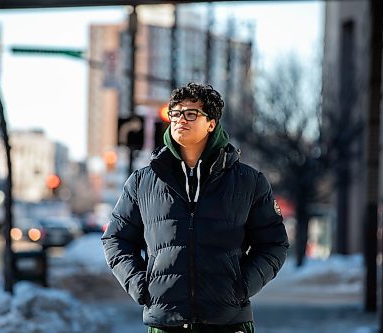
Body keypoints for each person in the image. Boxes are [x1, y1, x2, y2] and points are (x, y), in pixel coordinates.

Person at [102, 82, 289, 333]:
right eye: (176, 113)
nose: (181, 119)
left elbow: (273, 243)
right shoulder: (143, 182)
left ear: (211, 123)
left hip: (228, 322)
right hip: (165, 322)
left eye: (191, 114)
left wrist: (242, 286)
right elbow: (115, 238)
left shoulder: (249, 181)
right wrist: (140, 285)